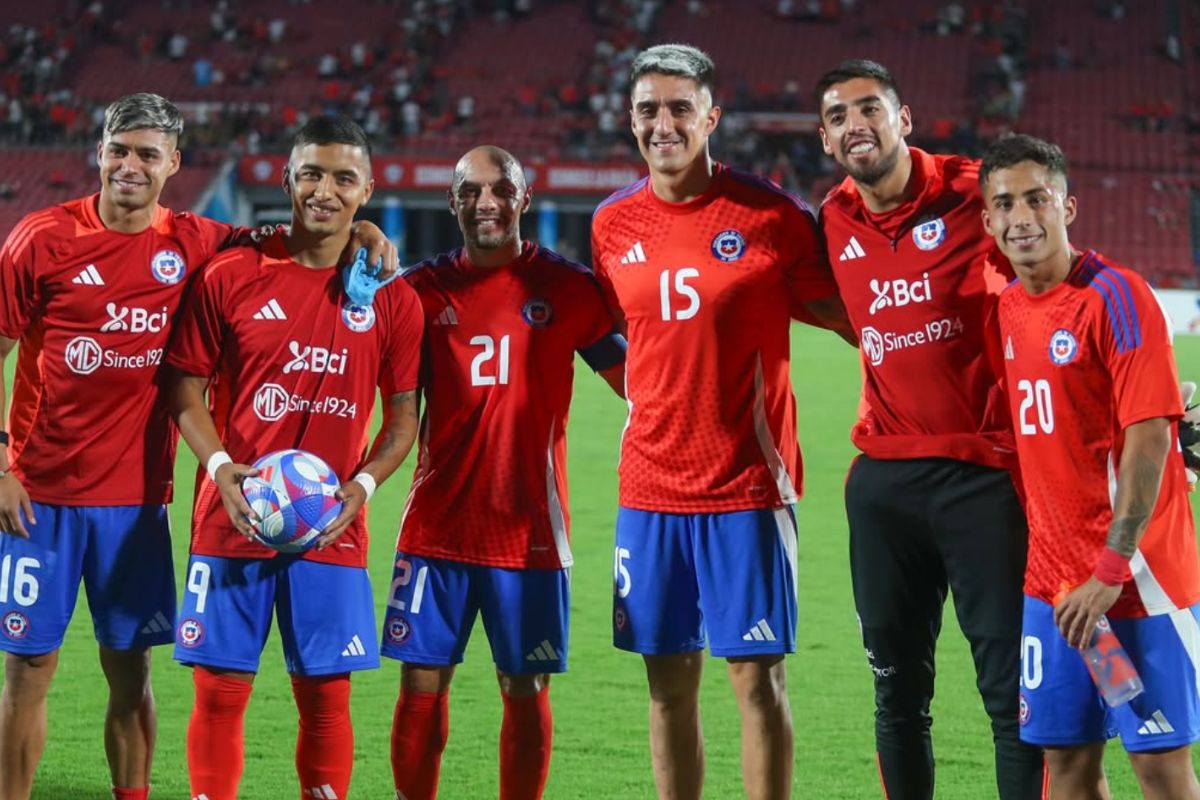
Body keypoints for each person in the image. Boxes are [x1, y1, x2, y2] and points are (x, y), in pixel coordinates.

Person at [590, 44, 853, 799]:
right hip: (647, 492)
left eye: (679, 108)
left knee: (757, 682)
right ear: (631, 120)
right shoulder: (611, 222)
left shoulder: (769, 215)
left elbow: (852, 320)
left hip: (747, 490)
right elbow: (617, 333)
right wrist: (644, 395)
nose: (664, 124)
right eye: (649, 110)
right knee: (666, 686)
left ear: (712, 116)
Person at [166, 114, 423, 800]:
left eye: (343, 177)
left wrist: (363, 486)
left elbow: (403, 420)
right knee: (218, 692)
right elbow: (183, 388)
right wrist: (221, 471)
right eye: (310, 173)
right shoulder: (231, 274)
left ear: (366, 189)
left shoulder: (394, 297)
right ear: (286, 179)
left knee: (326, 699)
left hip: (332, 527)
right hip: (233, 518)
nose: (324, 190)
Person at [814, 59, 1045, 799]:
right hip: (883, 485)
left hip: (985, 478)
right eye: (839, 116)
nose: (857, 125)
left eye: (869, 108)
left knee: (1011, 697)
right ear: (825, 138)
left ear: (903, 118)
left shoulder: (978, 190)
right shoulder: (833, 217)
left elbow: (1064, 282)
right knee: (896, 695)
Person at [383, 144, 625, 800]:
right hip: (435, 527)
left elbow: (640, 384)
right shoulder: (417, 293)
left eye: (499, 189)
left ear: (524, 198)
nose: (484, 202)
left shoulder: (570, 289)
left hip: (531, 535)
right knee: (420, 686)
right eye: (469, 191)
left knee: (524, 688)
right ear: (452, 201)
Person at [982, 133, 1200, 800]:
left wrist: (1111, 568)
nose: (1022, 217)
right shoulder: (1009, 308)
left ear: (1067, 207)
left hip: (1139, 585)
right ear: (988, 222)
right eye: (1004, 204)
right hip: (1054, 590)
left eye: (1036, 199)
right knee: (1068, 765)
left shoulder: (1118, 296)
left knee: (1160, 769)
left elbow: (1148, 439)